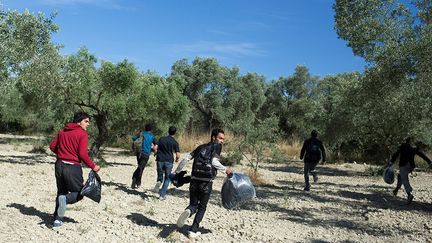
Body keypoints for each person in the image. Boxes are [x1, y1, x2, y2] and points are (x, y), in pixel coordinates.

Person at [175, 128, 233, 237]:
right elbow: (214, 162)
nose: (222, 141)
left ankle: (189, 210)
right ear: (213, 137)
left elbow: (186, 158)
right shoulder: (217, 147)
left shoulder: (200, 147)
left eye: (223, 139)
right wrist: (226, 170)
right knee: (202, 207)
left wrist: (177, 172)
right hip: (206, 182)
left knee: (193, 204)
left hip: (194, 180)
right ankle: (193, 230)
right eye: (220, 138)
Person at [49, 111, 101, 228]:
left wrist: (62, 153)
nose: (88, 124)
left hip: (59, 165)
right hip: (72, 167)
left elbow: (52, 146)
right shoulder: (82, 134)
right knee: (80, 192)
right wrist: (93, 166)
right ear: (79, 121)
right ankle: (65, 200)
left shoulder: (62, 131)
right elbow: (82, 154)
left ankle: (57, 220)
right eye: (86, 121)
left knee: (61, 191)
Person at [390, 137, 432, 204]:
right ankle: (396, 190)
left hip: (404, 165)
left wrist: (391, 162)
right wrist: (429, 162)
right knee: (400, 176)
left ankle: (409, 195)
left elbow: (396, 154)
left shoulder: (403, 146)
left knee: (404, 179)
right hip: (410, 166)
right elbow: (422, 155)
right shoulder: (414, 148)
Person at [153, 126, 181, 200]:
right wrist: (177, 159)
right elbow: (178, 154)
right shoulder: (175, 142)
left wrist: (155, 153)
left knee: (160, 175)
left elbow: (155, 148)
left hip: (160, 159)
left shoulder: (162, 139)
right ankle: (162, 195)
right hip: (168, 161)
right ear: (175, 132)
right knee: (167, 178)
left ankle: (159, 182)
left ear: (168, 131)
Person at [131, 123, 158, 189]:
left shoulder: (141, 134)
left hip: (139, 152)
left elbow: (133, 138)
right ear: (151, 129)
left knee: (140, 167)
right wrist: (155, 151)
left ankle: (137, 182)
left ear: (145, 128)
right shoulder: (152, 136)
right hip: (146, 153)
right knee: (141, 168)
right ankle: (135, 179)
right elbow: (156, 144)